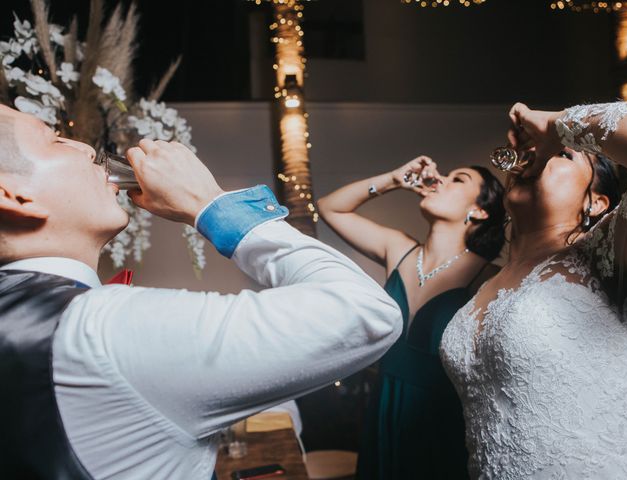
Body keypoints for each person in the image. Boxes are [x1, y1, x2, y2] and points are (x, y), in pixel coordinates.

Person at [0, 104, 402, 479]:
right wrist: (208, 202)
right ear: (13, 194)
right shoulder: (103, 332)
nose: (87, 148)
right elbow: (367, 312)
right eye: (54, 139)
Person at [440, 101, 627, 479]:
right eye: (531, 153)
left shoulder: (608, 252)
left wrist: (556, 125)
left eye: (562, 154)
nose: (535, 158)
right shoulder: (489, 282)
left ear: (596, 202)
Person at [317, 156, 506, 479]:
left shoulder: (488, 278)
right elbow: (329, 207)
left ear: (479, 211)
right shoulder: (399, 248)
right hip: (382, 409)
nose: (441, 179)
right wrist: (393, 179)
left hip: (441, 421)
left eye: (457, 179)